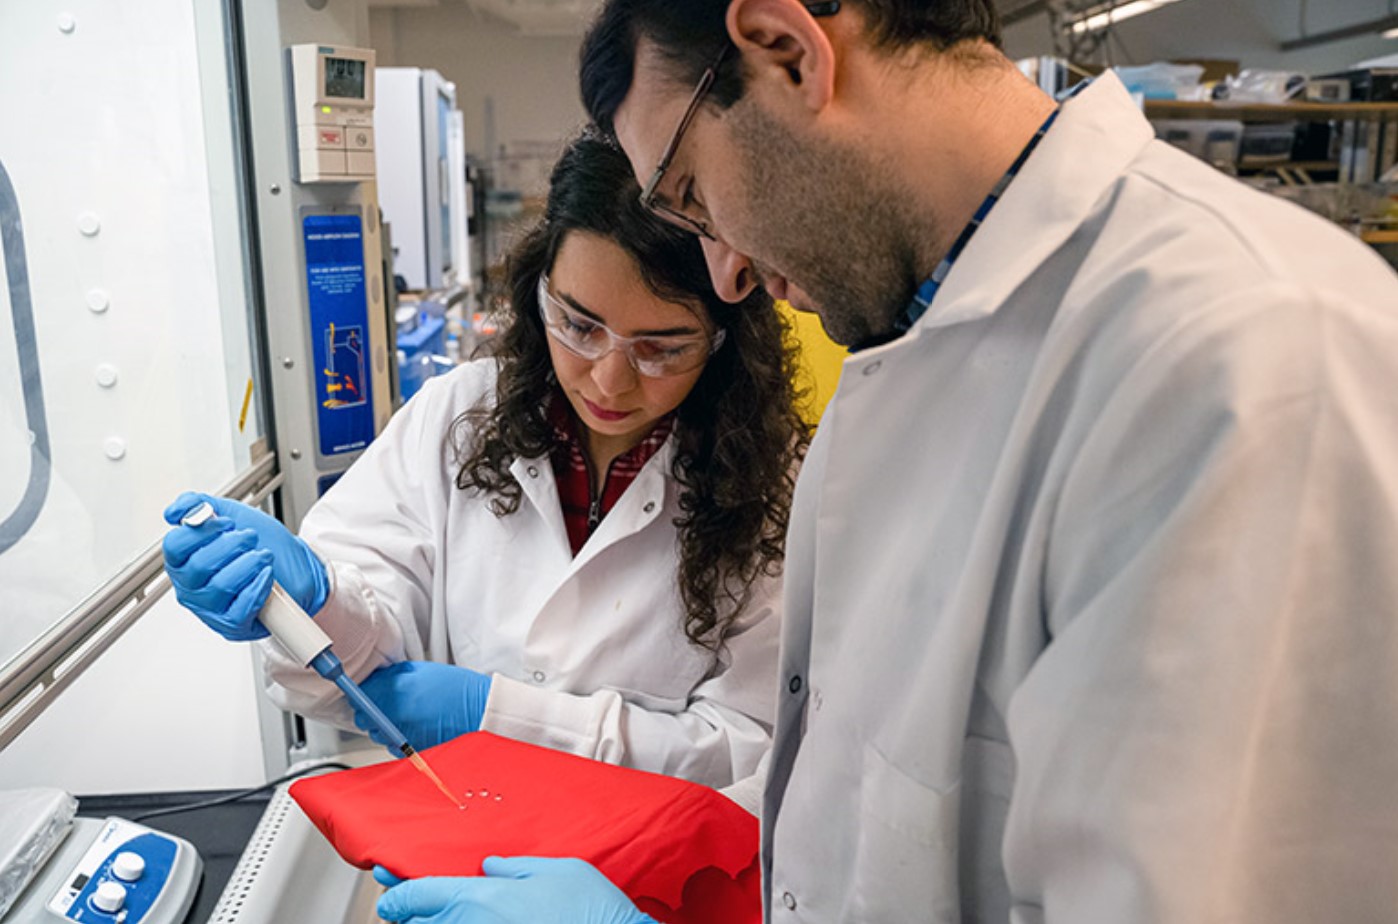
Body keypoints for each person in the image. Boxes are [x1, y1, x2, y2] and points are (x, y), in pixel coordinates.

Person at [368, 0, 1398, 922]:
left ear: (787, 50)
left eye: (694, 195)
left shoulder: (1249, 354)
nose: (723, 275)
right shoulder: (908, 357)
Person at [161, 133, 809, 791]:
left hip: (646, 854)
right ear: (538, 290)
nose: (609, 382)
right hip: (458, 830)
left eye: (661, 348)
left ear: (726, 337)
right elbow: (347, 680)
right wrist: (315, 602)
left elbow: (751, 748)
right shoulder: (459, 414)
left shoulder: (773, 482)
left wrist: (497, 718)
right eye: (579, 326)